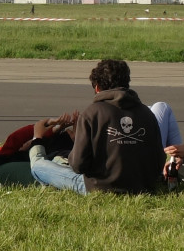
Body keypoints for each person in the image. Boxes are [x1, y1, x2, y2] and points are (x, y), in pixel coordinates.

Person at [28, 59, 164, 195]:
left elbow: (78, 165)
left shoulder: (92, 113)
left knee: (39, 166)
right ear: (126, 84)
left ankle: (37, 141)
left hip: (99, 187)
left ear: (97, 87)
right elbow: (159, 161)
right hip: (142, 187)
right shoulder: (147, 113)